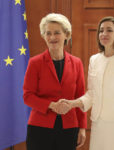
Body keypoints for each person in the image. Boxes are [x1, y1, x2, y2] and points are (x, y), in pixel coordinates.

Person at [59, 16, 114, 150]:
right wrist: (72, 103)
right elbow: (92, 94)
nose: (104, 34)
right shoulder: (95, 60)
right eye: (101, 30)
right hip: (98, 124)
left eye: (109, 30)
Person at [23, 13, 87, 150]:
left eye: (57, 33)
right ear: (44, 36)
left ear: (66, 35)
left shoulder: (76, 63)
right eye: (48, 33)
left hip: (69, 128)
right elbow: (27, 96)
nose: (52, 37)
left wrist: (82, 127)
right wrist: (51, 105)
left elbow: (81, 98)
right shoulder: (35, 63)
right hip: (39, 128)